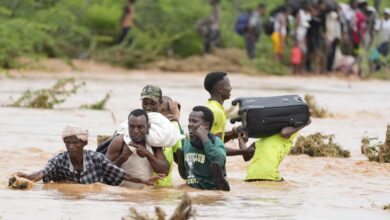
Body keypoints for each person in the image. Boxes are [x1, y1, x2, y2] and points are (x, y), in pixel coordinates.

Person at [13, 126, 163, 186]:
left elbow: (121, 174)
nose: (71, 146)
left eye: (75, 143)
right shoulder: (58, 161)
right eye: (68, 143)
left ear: (84, 143)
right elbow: (42, 172)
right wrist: (25, 176)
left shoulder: (96, 159)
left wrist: (144, 181)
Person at [106, 109, 169, 188]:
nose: (135, 131)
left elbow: (165, 171)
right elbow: (105, 171)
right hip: (123, 197)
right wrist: (123, 157)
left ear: (148, 127)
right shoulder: (120, 142)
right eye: (132, 126)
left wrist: (147, 153)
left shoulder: (153, 144)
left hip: (145, 196)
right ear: (127, 126)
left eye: (140, 127)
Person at [232, 119, 311, 182]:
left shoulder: (261, 140)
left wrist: (240, 138)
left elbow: (246, 156)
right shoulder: (285, 137)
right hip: (269, 176)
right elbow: (284, 133)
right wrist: (304, 123)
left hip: (250, 176)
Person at [178, 106, 230, 191]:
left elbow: (219, 162)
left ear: (206, 125)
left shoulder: (216, 142)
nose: (190, 124)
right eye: (189, 121)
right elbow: (185, 175)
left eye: (194, 121)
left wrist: (204, 139)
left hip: (211, 194)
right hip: (193, 192)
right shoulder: (186, 142)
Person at [204, 72, 238, 143]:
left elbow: (213, 138)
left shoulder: (208, 105)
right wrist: (244, 151)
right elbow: (215, 147)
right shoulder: (217, 111)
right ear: (220, 89)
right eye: (228, 85)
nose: (231, 88)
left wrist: (232, 135)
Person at [156, 96, 183, 187]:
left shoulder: (173, 126)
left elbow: (179, 157)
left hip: (160, 186)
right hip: (164, 186)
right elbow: (180, 160)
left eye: (166, 111)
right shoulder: (173, 126)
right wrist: (177, 119)